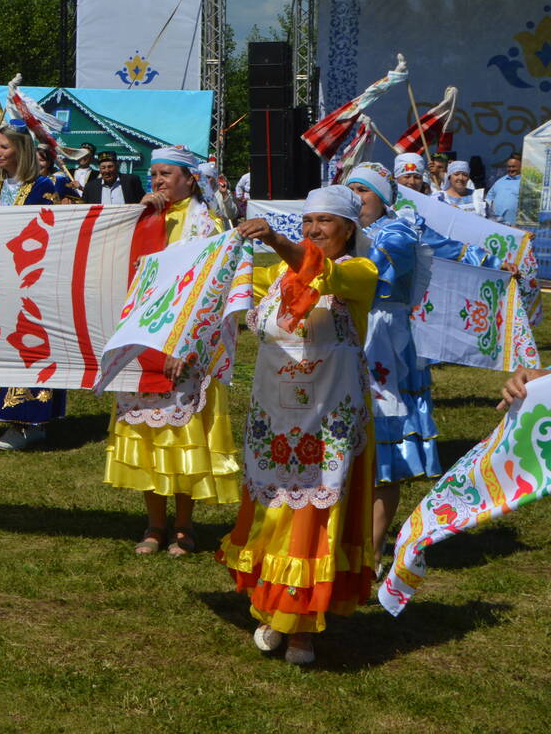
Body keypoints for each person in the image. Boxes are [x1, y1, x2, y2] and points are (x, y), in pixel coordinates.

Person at [226, 186, 378, 666]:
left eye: (325, 222)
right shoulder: (276, 274)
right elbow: (231, 280)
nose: (313, 230)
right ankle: (273, 610)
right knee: (276, 516)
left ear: (349, 229)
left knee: (313, 521)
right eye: (308, 220)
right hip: (276, 420)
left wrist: (275, 239)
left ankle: (300, 631)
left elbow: (318, 272)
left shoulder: (359, 272)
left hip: (328, 424)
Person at [104, 145, 240, 556]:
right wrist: (140, 215)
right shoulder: (144, 218)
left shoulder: (209, 225)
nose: (157, 181)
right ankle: (153, 524)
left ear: (189, 178)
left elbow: (213, 290)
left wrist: (191, 342)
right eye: (153, 175)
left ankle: (183, 526)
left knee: (182, 436)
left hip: (186, 342)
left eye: (165, 174)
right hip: (144, 339)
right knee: (147, 434)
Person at [340, 162, 442, 561]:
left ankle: (372, 548)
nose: (355, 198)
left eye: (363, 191)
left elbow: (366, 273)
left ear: (382, 198)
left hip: (383, 341)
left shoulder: (396, 234)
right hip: (347, 334)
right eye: (349, 189)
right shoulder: (347, 234)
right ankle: (347, 539)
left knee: (383, 443)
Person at [0, 125, 70, 449]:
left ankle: (29, 421)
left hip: (31, 278)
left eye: (4, 147)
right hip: (0, 276)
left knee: (28, 345)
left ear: (20, 150)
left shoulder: (44, 187)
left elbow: (48, 232)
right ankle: (2, 414)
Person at [486, 152, 522, 224]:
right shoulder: (499, 182)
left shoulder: (526, 182)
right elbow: (488, 199)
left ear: (521, 166)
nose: (511, 169)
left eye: (514, 166)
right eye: (509, 167)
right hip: (497, 224)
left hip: (516, 225)